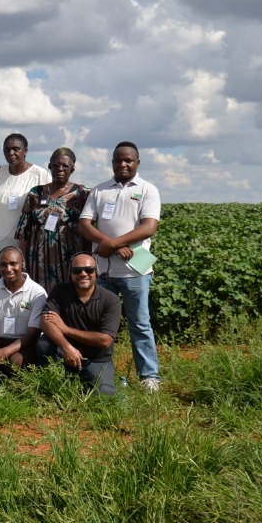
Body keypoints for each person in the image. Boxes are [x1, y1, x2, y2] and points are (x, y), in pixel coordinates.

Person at [79, 141, 163, 391]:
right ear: (112, 162)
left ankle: (149, 376)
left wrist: (113, 243)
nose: (123, 164)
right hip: (103, 270)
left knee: (140, 323)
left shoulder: (147, 190)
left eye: (128, 160)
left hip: (137, 269)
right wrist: (113, 247)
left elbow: (149, 227)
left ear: (138, 163)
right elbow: (84, 224)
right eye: (118, 160)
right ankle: (101, 373)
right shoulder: (100, 190)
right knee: (100, 325)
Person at [37, 253, 123, 395]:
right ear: (70, 273)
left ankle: (83, 380)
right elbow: (45, 321)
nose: (83, 274)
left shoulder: (110, 300)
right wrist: (66, 347)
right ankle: (56, 383)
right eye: (77, 271)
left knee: (105, 395)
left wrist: (66, 329)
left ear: (96, 272)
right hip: (65, 354)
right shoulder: (60, 291)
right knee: (44, 344)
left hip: (96, 358)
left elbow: (105, 340)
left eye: (89, 270)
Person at [16, 147, 91, 290]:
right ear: (50, 167)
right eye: (56, 165)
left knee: (69, 296)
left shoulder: (83, 194)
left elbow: (90, 228)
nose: (60, 169)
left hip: (70, 259)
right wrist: (23, 262)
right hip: (38, 262)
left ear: (73, 169)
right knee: (40, 297)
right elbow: (23, 231)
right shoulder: (36, 193)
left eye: (65, 166)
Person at [0, 247, 47, 378]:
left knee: (15, 362)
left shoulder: (37, 292)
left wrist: (3, 353)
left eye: (13, 264)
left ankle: (7, 376)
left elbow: (33, 333)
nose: (8, 269)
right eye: (3, 264)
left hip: (25, 343)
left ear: (22, 265)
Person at [0, 134, 52, 283]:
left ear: (25, 150)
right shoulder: (1, 171)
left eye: (16, 149)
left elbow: (47, 208)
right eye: (7, 149)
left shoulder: (40, 175)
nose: (11, 153)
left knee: (20, 288)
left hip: (23, 247)